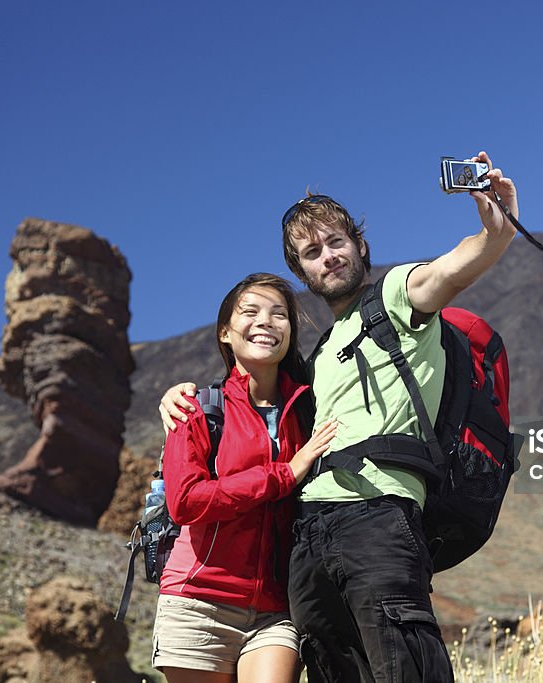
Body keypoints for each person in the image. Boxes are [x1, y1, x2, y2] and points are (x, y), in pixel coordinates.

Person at [161, 151, 518, 682]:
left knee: (404, 667)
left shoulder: (397, 299)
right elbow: (249, 404)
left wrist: (495, 233)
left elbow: (449, 269)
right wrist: (176, 394)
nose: (327, 257)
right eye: (311, 252)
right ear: (301, 270)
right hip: (306, 540)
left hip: (379, 517)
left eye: (336, 242)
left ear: (359, 246)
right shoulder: (316, 359)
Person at [153, 273, 337, 683]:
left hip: (276, 607)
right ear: (225, 331)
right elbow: (185, 503)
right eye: (250, 312)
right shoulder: (196, 408)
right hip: (199, 600)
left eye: (279, 315)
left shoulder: (312, 407)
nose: (266, 322)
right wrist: (283, 474)